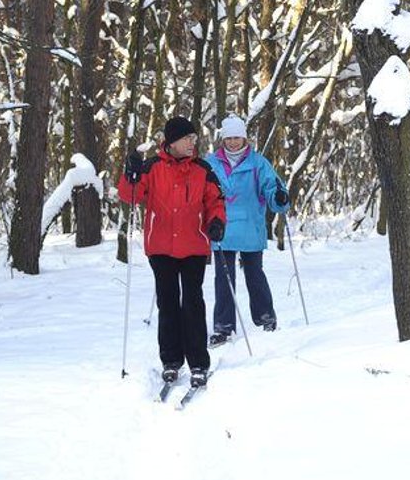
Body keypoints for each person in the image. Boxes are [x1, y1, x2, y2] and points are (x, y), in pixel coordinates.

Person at [118, 116, 227, 388]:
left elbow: (216, 201)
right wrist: (129, 172)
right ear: (172, 142)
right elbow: (130, 195)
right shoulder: (152, 167)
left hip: (193, 246)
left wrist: (216, 222)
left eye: (193, 138)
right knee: (167, 304)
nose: (193, 142)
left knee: (193, 303)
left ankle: (198, 362)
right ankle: (171, 361)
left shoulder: (203, 169)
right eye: (187, 138)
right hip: (161, 247)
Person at [204, 115, 289, 347]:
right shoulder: (211, 163)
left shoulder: (258, 163)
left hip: (250, 225)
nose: (233, 143)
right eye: (229, 138)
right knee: (224, 278)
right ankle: (223, 326)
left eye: (237, 138)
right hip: (222, 228)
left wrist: (279, 197)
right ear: (223, 138)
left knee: (254, 274)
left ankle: (265, 317)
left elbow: (272, 187)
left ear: (244, 138)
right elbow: (202, 191)